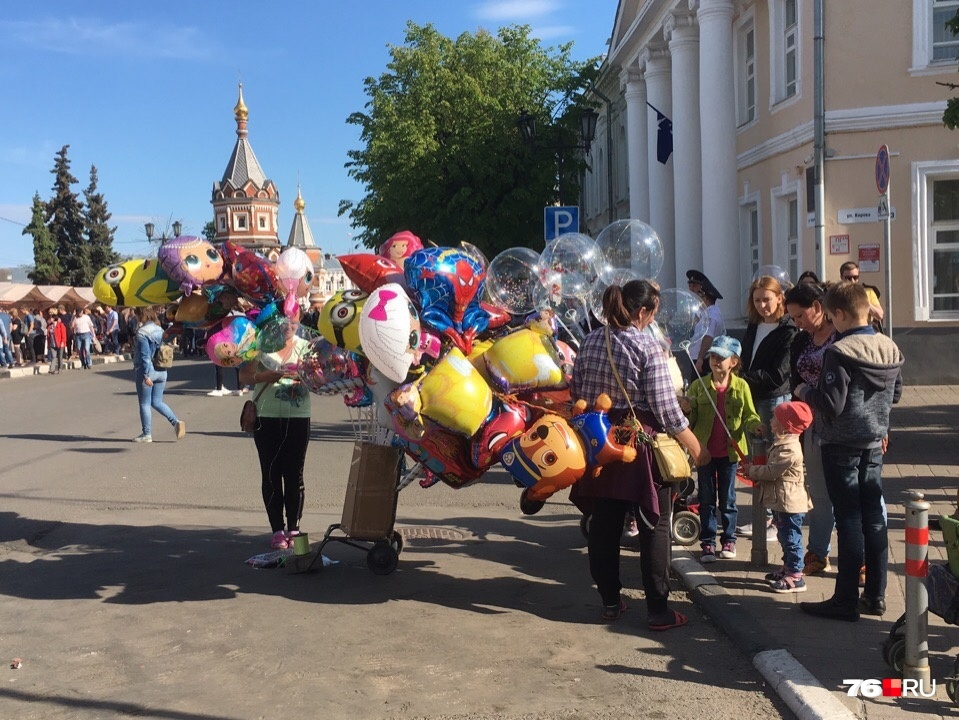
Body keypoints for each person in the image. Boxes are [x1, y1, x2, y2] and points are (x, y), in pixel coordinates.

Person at [569, 280, 708, 630]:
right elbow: (666, 411)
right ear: (643, 312)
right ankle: (658, 610)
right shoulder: (648, 346)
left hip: (599, 442)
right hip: (637, 441)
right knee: (654, 525)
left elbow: (577, 392)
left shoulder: (588, 342)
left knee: (604, 525)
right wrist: (696, 447)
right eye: (653, 313)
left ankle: (611, 603)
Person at [795, 282, 903, 621]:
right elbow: (896, 394)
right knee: (874, 519)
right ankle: (876, 595)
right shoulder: (889, 347)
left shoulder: (839, 351)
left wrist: (803, 390)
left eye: (831, 316)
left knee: (849, 520)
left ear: (839, 314)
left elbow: (831, 403)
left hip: (840, 443)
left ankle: (844, 601)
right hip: (873, 441)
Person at [680, 335, 761, 564]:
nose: (716, 361)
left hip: (730, 453)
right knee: (706, 499)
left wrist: (756, 427)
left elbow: (749, 415)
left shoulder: (741, 386)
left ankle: (728, 539)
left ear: (733, 362)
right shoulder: (699, 385)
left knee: (728, 499)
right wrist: (686, 408)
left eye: (721, 357)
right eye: (713, 356)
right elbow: (690, 418)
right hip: (704, 451)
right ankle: (707, 543)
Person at [238, 313, 312, 550]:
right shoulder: (261, 344)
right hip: (266, 417)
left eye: (293, 321)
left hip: (298, 417)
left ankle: (294, 528)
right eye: (284, 321)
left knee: (294, 474)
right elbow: (244, 376)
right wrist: (264, 376)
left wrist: (307, 377)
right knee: (271, 473)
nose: (289, 326)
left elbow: (322, 377)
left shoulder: (307, 348)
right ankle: (277, 530)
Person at [738, 275, 798, 541]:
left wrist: (742, 378)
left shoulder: (788, 330)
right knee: (757, 458)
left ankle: (776, 519)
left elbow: (778, 375)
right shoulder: (754, 324)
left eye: (767, 299)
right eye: (757, 300)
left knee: (775, 458)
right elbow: (746, 358)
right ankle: (762, 516)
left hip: (774, 399)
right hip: (751, 396)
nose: (763, 305)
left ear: (779, 299)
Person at [785, 283, 837, 576]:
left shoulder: (842, 336)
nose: (798, 323)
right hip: (811, 424)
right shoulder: (801, 341)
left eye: (800, 315)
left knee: (851, 494)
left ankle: (863, 557)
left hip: (842, 424)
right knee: (817, 490)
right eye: (793, 318)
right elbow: (794, 380)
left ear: (818, 307)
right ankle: (818, 551)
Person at [743, 401, 814, 593]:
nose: (771, 420)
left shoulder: (789, 448)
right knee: (784, 536)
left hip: (789, 503)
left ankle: (796, 576)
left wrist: (752, 470)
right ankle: (788, 567)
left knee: (791, 538)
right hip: (782, 501)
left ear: (785, 425)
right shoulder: (783, 443)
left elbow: (772, 471)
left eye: (776, 417)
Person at [132, 306, 186, 443]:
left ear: (141, 315)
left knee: (144, 403)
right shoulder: (160, 330)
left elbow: (145, 356)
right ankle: (176, 422)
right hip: (161, 369)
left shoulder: (142, 333)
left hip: (148, 370)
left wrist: (145, 375)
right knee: (157, 402)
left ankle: (147, 434)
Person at [684, 270, 726, 381]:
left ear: (705, 297)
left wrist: (700, 359)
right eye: (690, 285)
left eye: (699, 296)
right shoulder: (704, 312)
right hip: (697, 358)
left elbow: (708, 337)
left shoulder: (711, 315)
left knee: (701, 391)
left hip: (704, 360)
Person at [839, 261, 883, 333]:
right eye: (848, 278)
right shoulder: (837, 294)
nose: (852, 281)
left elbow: (879, 315)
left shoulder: (868, 292)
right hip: (843, 333)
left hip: (864, 331)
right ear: (841, 277)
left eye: (855, 277)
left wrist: (863, 300)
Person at [47, 309, 67, 374]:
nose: (50, 319)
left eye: (51, 318)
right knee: (53, 356)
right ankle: (52, 369)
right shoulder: (50, 326)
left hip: (59, 343)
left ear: (54, 319)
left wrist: (62, 342)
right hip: (52, 344)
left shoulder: (61, 325)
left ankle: (60, 368)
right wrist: (48, 344)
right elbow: (48, 336)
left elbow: (63, 334)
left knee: (60, 356)